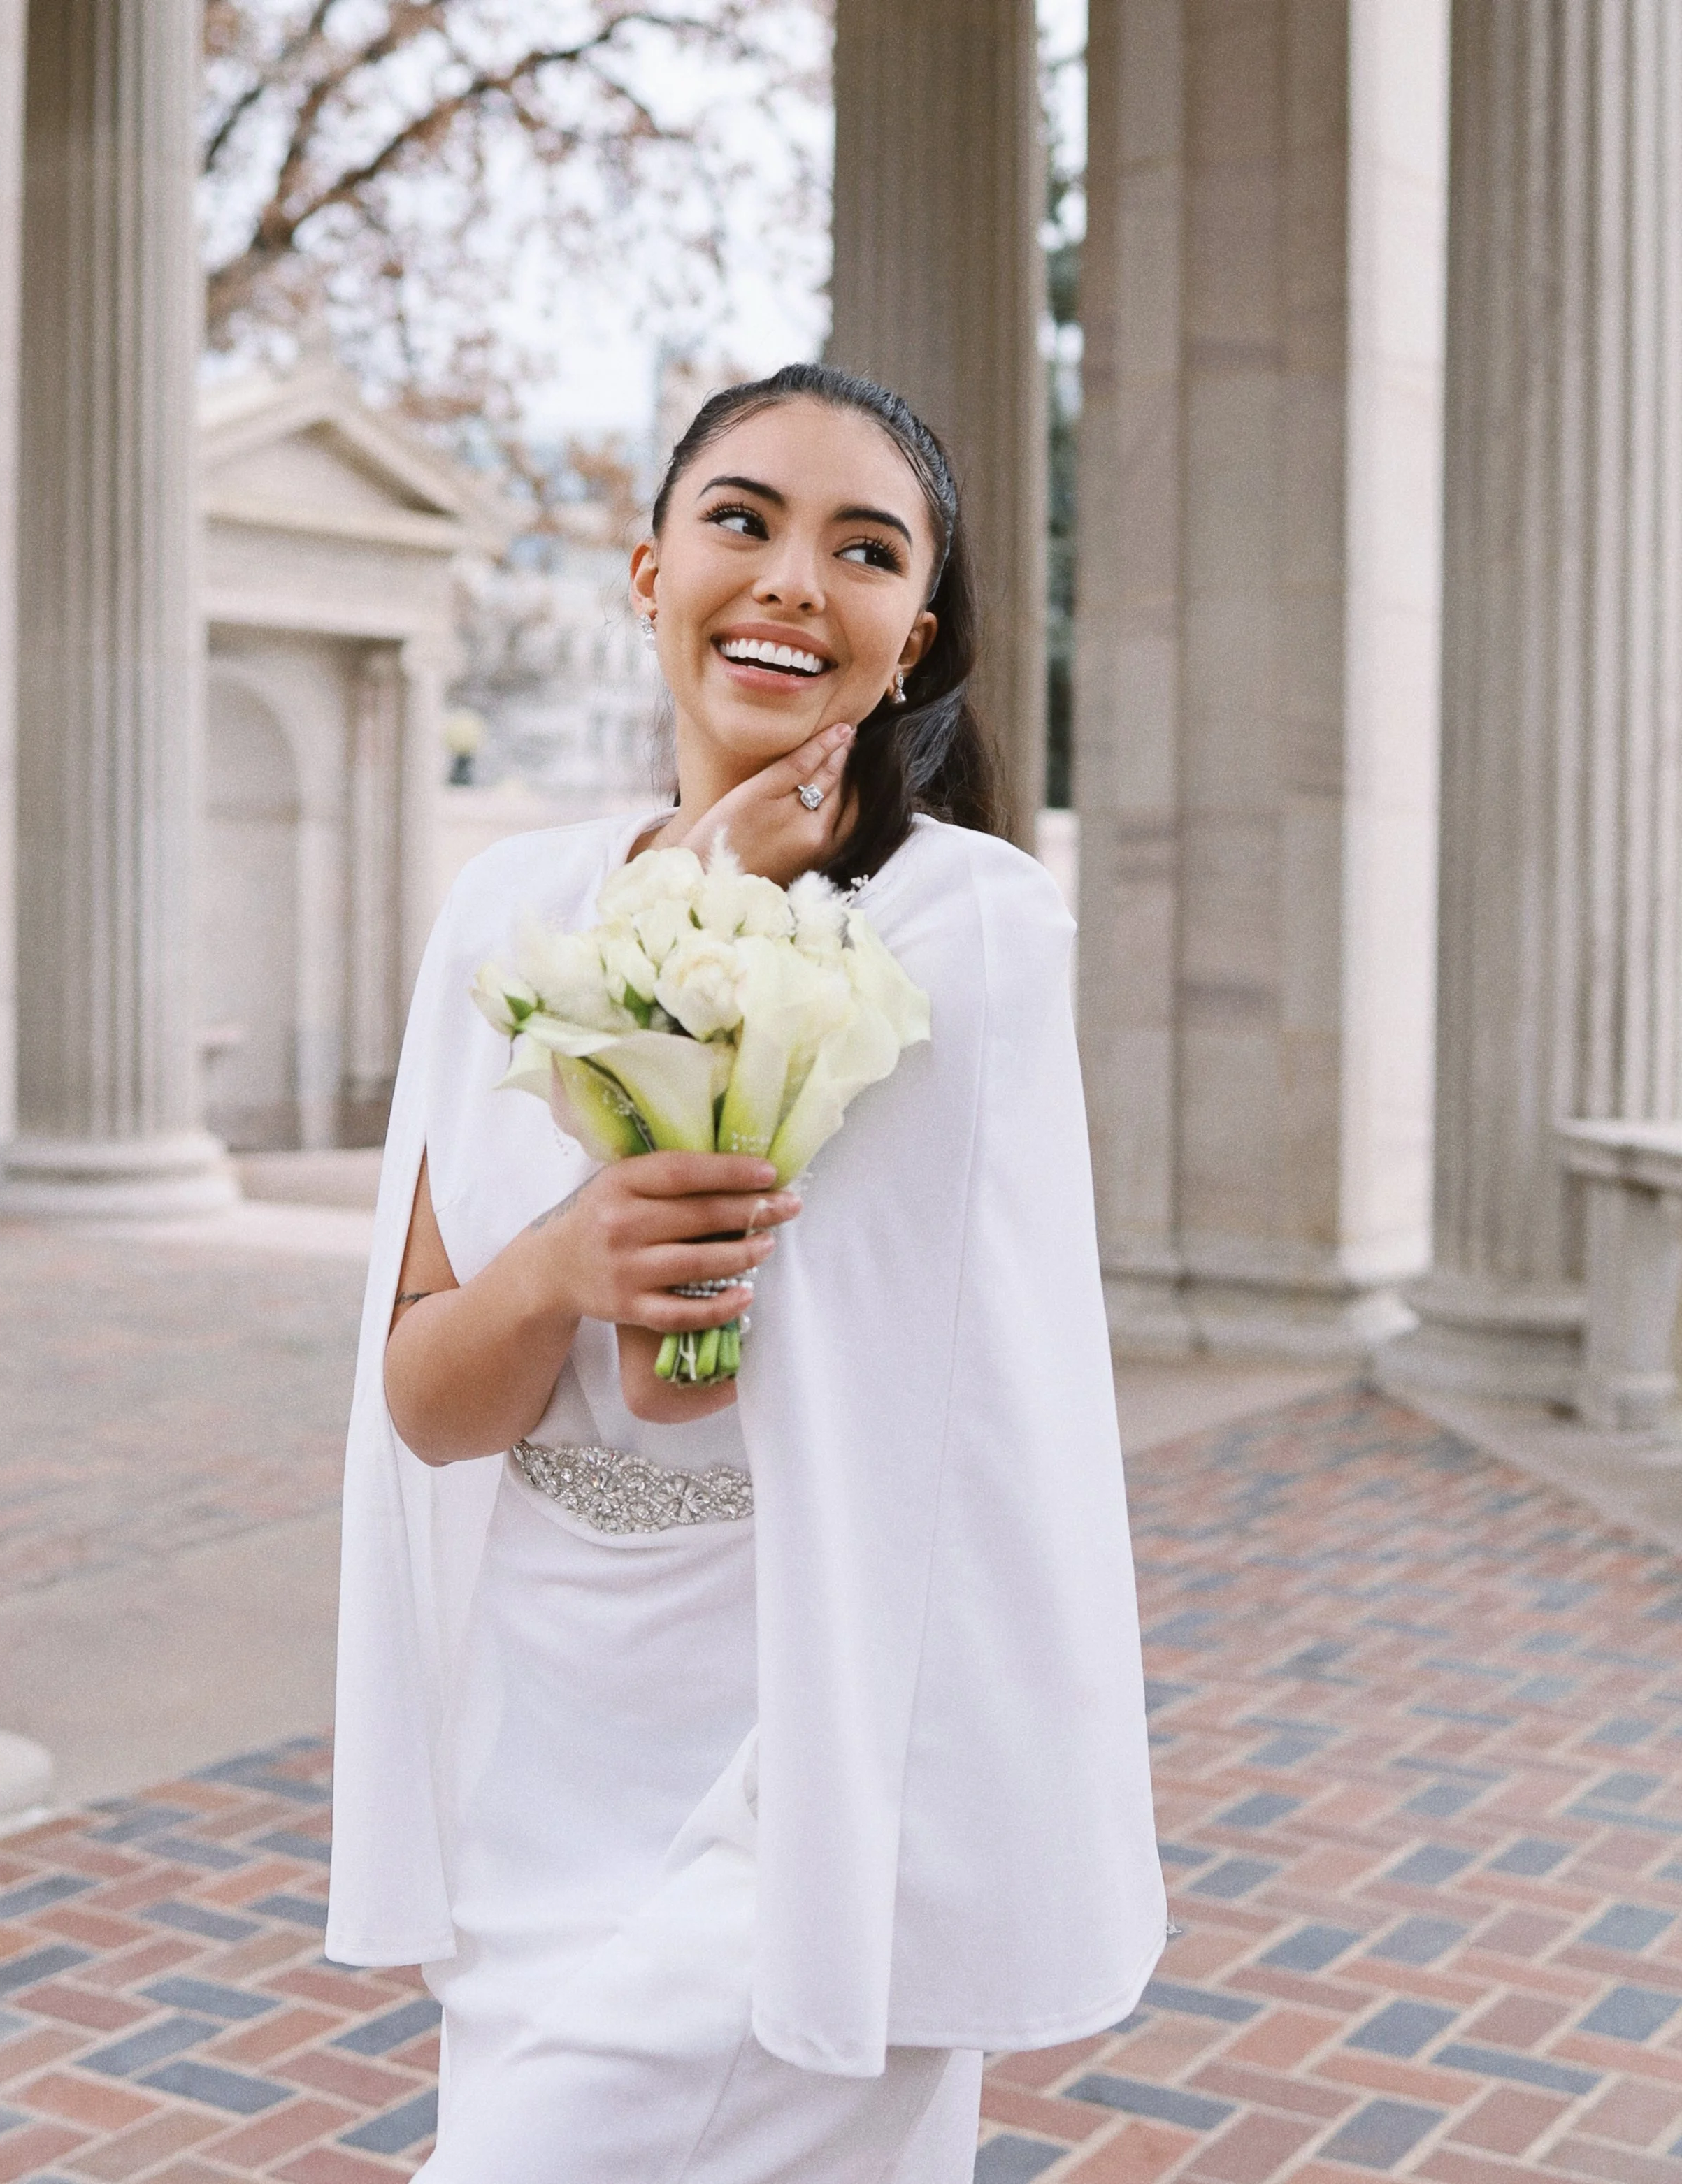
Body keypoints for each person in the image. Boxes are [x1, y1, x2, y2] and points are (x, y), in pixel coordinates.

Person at [326, 363, 1166, 2183]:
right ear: (645, 575)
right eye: (741, 520)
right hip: (535, 1742)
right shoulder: (501, 906)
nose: (793, 577)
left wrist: (707, 865)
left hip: (814, 1746)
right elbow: (430, 1400)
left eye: (861, 550)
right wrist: (555, 1258)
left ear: (910, 634)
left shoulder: (966, 924)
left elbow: (700, 1373)